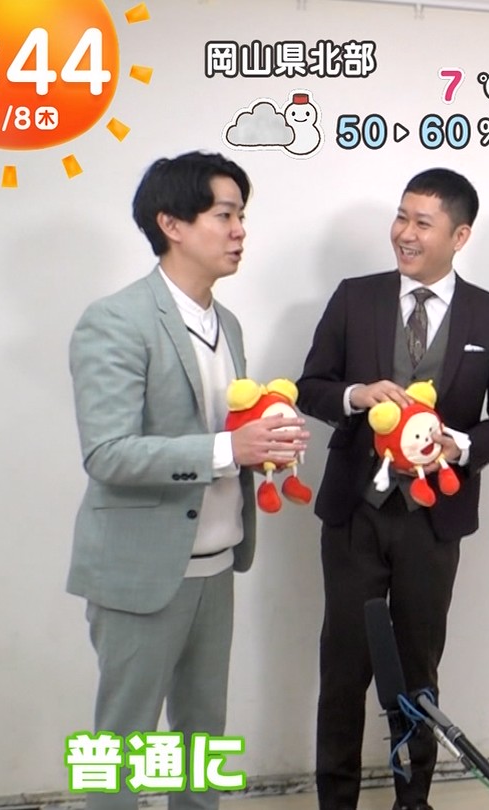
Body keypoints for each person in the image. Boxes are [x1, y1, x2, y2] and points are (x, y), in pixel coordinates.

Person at [67, 151, 308, 809]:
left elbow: (224, 432)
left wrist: (267, 445)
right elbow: (108, 453)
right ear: (171, 224)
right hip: (142, 571)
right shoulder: (116, 320)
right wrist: (231, 447)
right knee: (122, 745)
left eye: (241, 216)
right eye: (224, 215)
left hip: (217, 564)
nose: (240, 231)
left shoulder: (226, 325)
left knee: (203, 740)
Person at [297, 168, 489, 810]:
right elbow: (311, 386)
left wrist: (462, 445)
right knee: (343, 666)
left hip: (434, 519)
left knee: (418, 669)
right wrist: (355, 394)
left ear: (460, 235)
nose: (404, 232)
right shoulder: (355, 298)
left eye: (422, 222)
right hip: (355, 512)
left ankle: (412, 799)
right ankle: (336, 802)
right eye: (401, 217)